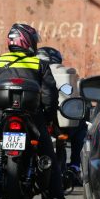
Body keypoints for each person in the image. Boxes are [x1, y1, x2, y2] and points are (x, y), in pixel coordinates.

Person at [0, 24, 67, 199]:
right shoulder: (39, 64)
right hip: (33, 117)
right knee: (48, 154)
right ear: (28, 41)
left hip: (2, 115)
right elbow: (50, 95)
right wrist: (48, 119)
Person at [37, 46, 87, 185]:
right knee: (81, 128)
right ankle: (75, 165)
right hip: (57, 120)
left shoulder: (28, 70)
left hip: (36, 119)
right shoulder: (65, 73)